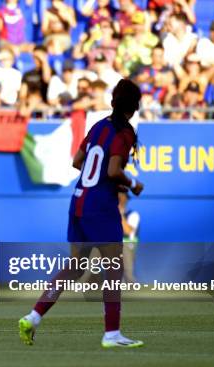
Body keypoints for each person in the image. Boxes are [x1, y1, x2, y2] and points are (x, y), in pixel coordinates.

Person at [18, 79, 145, 348]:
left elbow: (77, 162)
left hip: (78, 201)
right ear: (134, 106)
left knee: (74, 268)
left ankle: (33, 317)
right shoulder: (125, 133)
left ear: (113, 102)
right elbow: (112, 171)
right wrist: (132, 183)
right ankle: (112, 334)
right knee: (114, 269)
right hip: (100, 206)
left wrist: (106, 178)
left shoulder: (98, 126)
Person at [119, 191, 139, 283]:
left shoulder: (133, 215)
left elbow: (127, 231)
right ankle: (84, 281)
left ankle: (129, 280)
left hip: (128, 244)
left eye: (121, 197)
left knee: (123, 246)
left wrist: (120, 214)